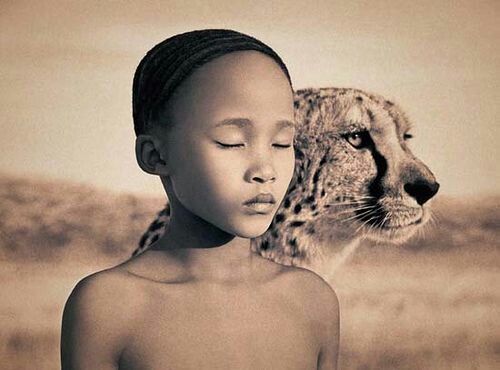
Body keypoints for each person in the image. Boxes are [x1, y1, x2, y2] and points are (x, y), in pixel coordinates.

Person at [60, 29, 339, 370]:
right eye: (232, 141)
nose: (266, 170)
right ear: (154, 155)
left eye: (282, 143)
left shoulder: (312, 300)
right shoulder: (107, 306)